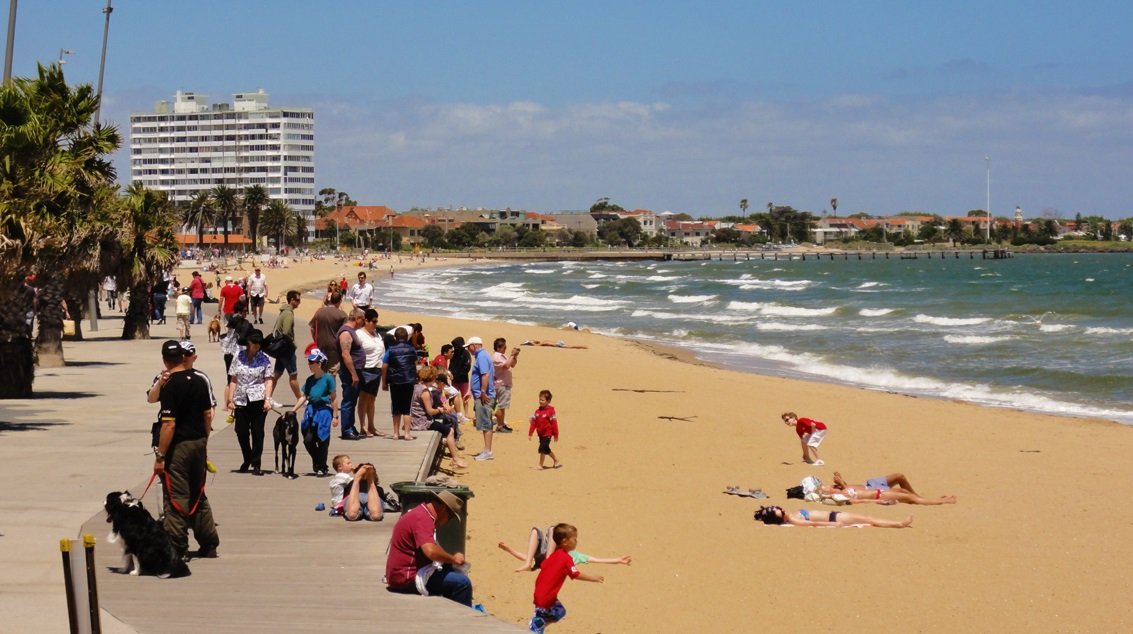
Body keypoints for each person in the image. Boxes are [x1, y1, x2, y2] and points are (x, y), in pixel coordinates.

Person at [149, 340, 220, 560]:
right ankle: (209, 543)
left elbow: (169, 424)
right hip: (198, 442)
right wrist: (204, 440)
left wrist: (161, 456)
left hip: (178, 447)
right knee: (198, 494)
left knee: (175, 496)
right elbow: (208, 414)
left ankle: (177, 547)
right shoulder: (199, 380)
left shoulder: (171, 384)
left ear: (164, 360)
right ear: (182, 357)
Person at [385, 490, 473, 607]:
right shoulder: (423, 519)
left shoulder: (420, 513)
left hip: (399, 574)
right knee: (462, 583)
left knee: (451, 571)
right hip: (405, 578)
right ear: (443, 509)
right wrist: (453, 559)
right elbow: (431, 552)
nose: (448, 521)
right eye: (450, 517)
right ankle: (463, 621)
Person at [529, 523, 605, 633]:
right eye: (574, 539)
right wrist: (593, 578)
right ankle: (536, 623)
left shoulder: (555, 555)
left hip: (542, 594)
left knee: (560, 611)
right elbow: (575, 574)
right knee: (539, 628)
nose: (576, 542)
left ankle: (538, 622)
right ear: (565, 541)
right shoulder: (566, 558)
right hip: (546, 598)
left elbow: (544, 566)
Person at [225, 329, 274, 476]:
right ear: (248, 343)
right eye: (254, 342)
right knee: (241, 431)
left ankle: (257, 463)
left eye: (259, 343)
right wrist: (230, 399)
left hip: (258, 399)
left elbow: (269, 380)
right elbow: (233, 379)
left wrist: (267, 399)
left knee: (258, 433)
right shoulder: (238, 357)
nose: (257, 345)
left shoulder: (264, 359)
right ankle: (247, 458)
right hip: (241, 399)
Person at [499, 526, 631, 573]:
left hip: (547, 558)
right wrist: (508, 549)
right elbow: (527, 556)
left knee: (549, 529)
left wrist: (617, 560)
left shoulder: (572, 556)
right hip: (545, 556)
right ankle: (529, 565)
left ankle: (545, 559)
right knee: (537, 531)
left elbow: (596, 560)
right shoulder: (571, 553)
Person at [410, 365, 468, 467]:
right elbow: (430, 412)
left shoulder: (416, 387)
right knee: (450, 430)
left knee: (448, 425)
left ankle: (454, 454)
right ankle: (455, 459)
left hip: (415, 420)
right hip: (423, 422)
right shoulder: (425, 392)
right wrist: (440, 410)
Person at [292, 349, 339, 476]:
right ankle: (318, 461)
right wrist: (293, 411)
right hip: (311, 410)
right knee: (308, 440)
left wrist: (335, 416)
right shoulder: (310, 380)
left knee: (322, 439)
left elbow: (334, 398)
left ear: (319, 364)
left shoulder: (328, 379)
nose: (309, 364)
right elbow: (304, 396)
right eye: (309, 362)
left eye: (312, 362)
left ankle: (321, 466)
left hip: (324, 411)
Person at [814, 471, 954, 505]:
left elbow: (848, 487)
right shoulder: (834, 495)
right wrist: (842, 485)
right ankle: (932, 500)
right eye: (823, 487)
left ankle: (919, 497)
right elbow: (850, 494)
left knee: (900, 476)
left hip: (870, 484)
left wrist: (840, 479)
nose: (825, 486)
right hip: (874, 492)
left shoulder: (833, 489)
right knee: (904, 493)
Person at [381, 327, 418, 440]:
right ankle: (407, 433)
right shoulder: (411, 349)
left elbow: (384, 365)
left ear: (395, 337)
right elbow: (415, 362)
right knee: (407, 407)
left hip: (395, 381)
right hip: (408, 380)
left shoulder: (390, 349)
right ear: (407, 337)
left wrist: (384, 381)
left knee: (396, 406)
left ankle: (396, 433)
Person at [336, 308, 367, 441]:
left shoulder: (352, 332)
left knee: (353, 400)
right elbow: (345, 354)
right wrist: (354, 374)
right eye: (363, 319)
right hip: (350, 372)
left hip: (355, 371)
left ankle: (350, 426)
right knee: (348, 400)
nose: (364, 322)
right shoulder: (346, 333)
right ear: (358, 318)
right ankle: (346, 429)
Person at [355, 307, 386, 437]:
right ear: (366, 321)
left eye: (376, 321)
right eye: (373, 321)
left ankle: (371, 426)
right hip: (365, 369)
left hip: (377, 369)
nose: (375, 323)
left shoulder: (376, 334)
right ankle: (362, 426)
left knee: (372, 399)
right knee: (363, 398)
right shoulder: (359, 334)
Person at [270, 290, 302, 404]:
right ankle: (300, 398)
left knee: (277, 374)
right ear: (292, 300)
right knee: (293, 374)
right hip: (286, 349)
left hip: (281, 348)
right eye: (298, 300)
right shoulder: (288, 313)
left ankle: (267, 397)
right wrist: (293, 345)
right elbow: (286, 332)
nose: (299, 302)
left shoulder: (284, 311)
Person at [754, 505, 913, 528]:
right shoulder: (794, 520)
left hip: (834, 515)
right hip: (834, 519)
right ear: (781, 518)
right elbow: (813, 523)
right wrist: (832, 525)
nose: (784, 511)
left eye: (780, 508)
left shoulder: (791, 516)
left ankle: (897, 523)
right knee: (869, 519)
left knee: (868, 517)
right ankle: (898, 524)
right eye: (782, 513)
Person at [328, 454, 383, 521]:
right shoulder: (345, 478)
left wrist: (357, 472)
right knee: (374, 515)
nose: (351, 464)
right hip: (364, 495)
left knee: (355, 515)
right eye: (348, 463)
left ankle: (364, 480)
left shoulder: (340, 479)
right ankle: (369, 480)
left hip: (354, 496)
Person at [467, 336, 496, 461]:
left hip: (484, 396)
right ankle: (486, 450)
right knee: (485, 422)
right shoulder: (481, 356)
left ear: (474, 345)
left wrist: (483, 392)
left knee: (485, 423)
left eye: (469, 347)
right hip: (481, 394)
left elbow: (485, 375)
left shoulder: (482, 356)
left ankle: (488, 451)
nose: (468, 349)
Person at [309, 291, 347, 372]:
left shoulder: (319, 311)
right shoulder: (342, 315)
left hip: (320, 344)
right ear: (340, 301)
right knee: (332, 372)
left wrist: (316, 341)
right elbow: (345, 333)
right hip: (334, 347)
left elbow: (312, 328)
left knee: (321, 371)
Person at [492, 337, 520, 433]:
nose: (506, 348)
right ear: (499, 347)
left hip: (503, 384)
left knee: (502, 406)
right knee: (501, 406)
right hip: (501, 385)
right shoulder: (496, 356)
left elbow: (512, 364)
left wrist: (514, 356)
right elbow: (506, 366)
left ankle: (501, 424)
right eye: (504, 346)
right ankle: (500, 426)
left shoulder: (501, 356)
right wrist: (512, 355)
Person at [528, 389, 560, 469]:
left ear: (548, 401)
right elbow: (533, 423)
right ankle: (556, 460)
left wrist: (556, 434)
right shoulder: (537, 412)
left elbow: (554, 423)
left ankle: (540, 465)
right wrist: (530, 433)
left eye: (542, 400)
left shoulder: (551, 411)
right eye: (540, 399)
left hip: (548, 434)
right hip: (541, 434)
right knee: (546, 449)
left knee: (542, 448)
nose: (540, 401)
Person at [220, 300, 253, 375]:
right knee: (234, 378)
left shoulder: (243, 322)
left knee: (234, 378)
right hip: (233, 353)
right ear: (239, 311)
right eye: (245, 311)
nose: (246, 313)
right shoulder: (234, 319)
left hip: (234, 353)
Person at [448, 336, 473, 416]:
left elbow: (467, 366)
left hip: (463, 379)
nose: (455, 347)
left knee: (465, 397)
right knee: (452, 397)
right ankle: (455, 413)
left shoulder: (466, 353)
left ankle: (465, 414)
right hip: (455, 379)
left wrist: (459, 373)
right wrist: (452, 373)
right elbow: (451, 365)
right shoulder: (454, 353)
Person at [520, 340, 588, 349]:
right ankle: (583, 346)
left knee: (570, 347)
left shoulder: (543, 342)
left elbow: (536, 345)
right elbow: (536, 342)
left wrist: (529, 342)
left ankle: (583, 347)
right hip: (558, 342)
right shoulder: (542, 341)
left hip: (557, 344)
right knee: (570, 346)